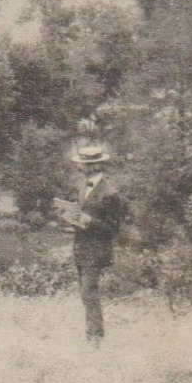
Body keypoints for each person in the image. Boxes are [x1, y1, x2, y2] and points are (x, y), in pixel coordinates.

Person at [56, 144, 123, 345]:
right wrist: (69, 217)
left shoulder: (110, 193)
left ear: (94, 166)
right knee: (86, 295)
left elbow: (113, 229)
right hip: (82, 248)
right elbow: (82, 217)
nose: (80, 168)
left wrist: (88, 221)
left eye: (84, 165)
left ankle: (95, 337)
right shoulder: (82, 187)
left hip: (97, 251)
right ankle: (92, 334)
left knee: (89, 293)